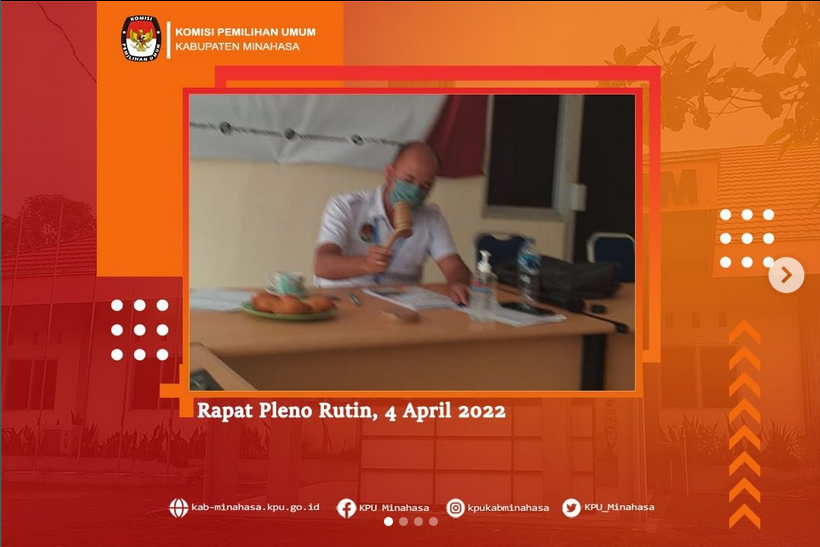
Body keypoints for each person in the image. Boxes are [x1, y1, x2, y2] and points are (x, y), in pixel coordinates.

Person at [313, 141, 472, 304]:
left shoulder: (430, 218)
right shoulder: (346, 206)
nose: (415, 190)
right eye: (408, 180)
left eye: (425, 186)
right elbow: (322, 265)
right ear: (389, 173)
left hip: (401, 303)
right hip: (346, 298)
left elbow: (454, 266)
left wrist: (458, 283)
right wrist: (364, 264)